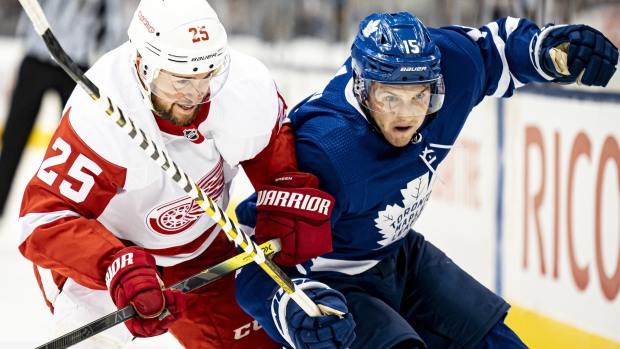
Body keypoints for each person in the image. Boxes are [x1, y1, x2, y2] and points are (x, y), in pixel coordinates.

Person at [234, 12, 619, 349]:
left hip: (401, 255)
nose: (408, 115)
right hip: (335, 280)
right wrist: (292, 309)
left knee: (499, 342)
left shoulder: (451, 66)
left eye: (420, 96)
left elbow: (495, 50)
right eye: (389, 98)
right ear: (362, 87)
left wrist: (547, 52)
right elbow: (257, 261)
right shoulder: (328, 152)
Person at [17, 0, 334, 348]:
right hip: (108, 259)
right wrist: (115, 265)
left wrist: (287, 202)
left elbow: (272, 157)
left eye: (206, 78)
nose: (194, 97)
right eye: (181, 81)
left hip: (201, 243)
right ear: (142, 64)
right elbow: (42, 220)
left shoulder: (241, 85)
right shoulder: (99, 114)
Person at [0, 0, 130, 219]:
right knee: (12, 142)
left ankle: (68, 217)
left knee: (77, 149)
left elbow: (114, 26)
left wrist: (108, 77)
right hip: (36, 60)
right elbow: (32, 9)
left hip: (75, 68)